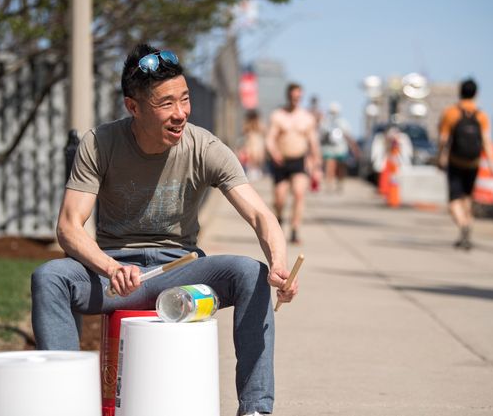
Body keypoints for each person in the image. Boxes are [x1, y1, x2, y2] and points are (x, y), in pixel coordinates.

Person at [31, 43, 298, 416]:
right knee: (50, 278)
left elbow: (260, 215)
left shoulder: (204, 147)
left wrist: (279, 264)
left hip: (181, 274)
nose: (180, 114)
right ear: (133, 107)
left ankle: (255, 409)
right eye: (166, 104)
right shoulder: (100, 143)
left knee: (251, 273)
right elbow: (69, 227)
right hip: (114, 276)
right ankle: (62, 405)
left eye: (184, 99)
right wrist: (110, 267)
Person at [437, 78, 493, 250]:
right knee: (467, 196)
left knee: (454, 200)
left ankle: (463, 224)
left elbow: (443, 139)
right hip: (473, 163)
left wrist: (441, 157)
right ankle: (468, 223)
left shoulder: (450, 113)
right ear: (476, 93)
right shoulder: (481, 115)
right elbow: (486, 141)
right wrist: (492, 164)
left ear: (460, 91)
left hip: (455, 161)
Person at [265, 83, 322, 244]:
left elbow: (313, 143)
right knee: (280, 199)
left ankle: (295, 229)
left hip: (299, 161)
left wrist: (317, 165)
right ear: (288, 96)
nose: (296, 99)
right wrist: (273, 152)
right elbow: (270, 138)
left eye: (298, 96)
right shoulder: (278, 116)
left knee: (299, 193)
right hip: (281, 162)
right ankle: (280, 219)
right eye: (293, 96)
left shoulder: (307, 118)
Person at [319, 102, 360, 192]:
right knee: (330, 165)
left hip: (340, 149)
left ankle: (340, 182)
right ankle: (329, 184)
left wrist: (354, 148)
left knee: (341, 167)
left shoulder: (343, 122)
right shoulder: (325, 122)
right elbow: (321, 136)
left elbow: (348, 136)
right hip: (329, 148)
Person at [239, 109, 267, 181]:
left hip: (257, 142)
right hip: (251, 142)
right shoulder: (247, 124)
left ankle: (256, 171)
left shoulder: (259, 123)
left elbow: (264, 131)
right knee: (251, 157)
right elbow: (244, 131)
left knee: (257, 157)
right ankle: (253, 171)